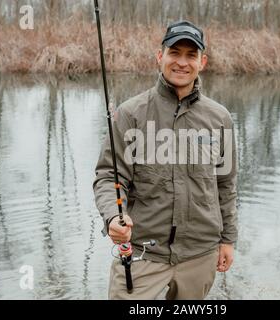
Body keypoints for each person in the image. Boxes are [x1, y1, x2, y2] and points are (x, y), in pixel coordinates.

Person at [93, 20, 237, 300]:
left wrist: (228, 239)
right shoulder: (130, 113)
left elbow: (226, 185)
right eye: (174, 53)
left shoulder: (221, 119)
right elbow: (110, 177)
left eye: (190, 55)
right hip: (143, 254)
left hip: (200, 254)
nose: (182, 62)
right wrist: (113, 215)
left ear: (202, 62)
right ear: (160, 57)